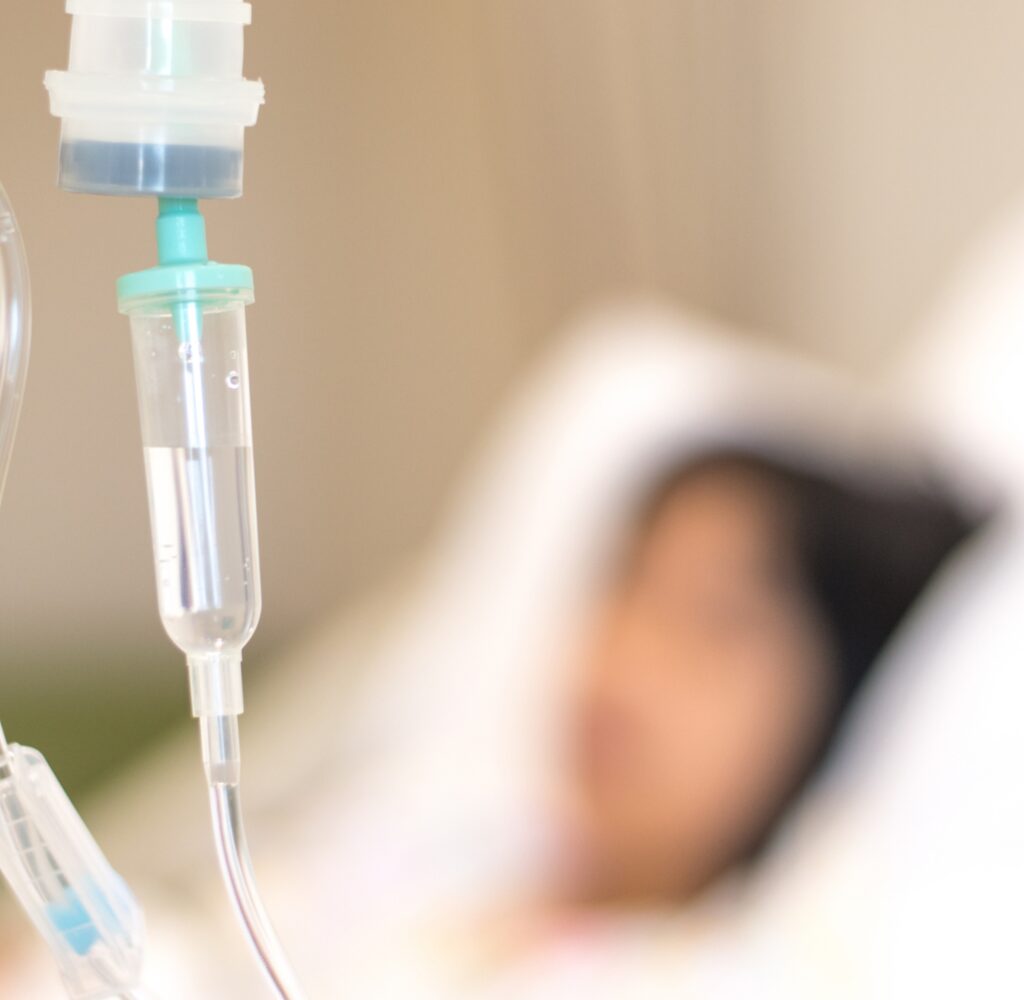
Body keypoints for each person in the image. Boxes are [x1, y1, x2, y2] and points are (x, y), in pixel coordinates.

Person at [558, 445, 980, 907]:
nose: (630, 659)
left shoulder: (752, 972)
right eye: (630, 583)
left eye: (712, 622)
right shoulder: (493, 869)